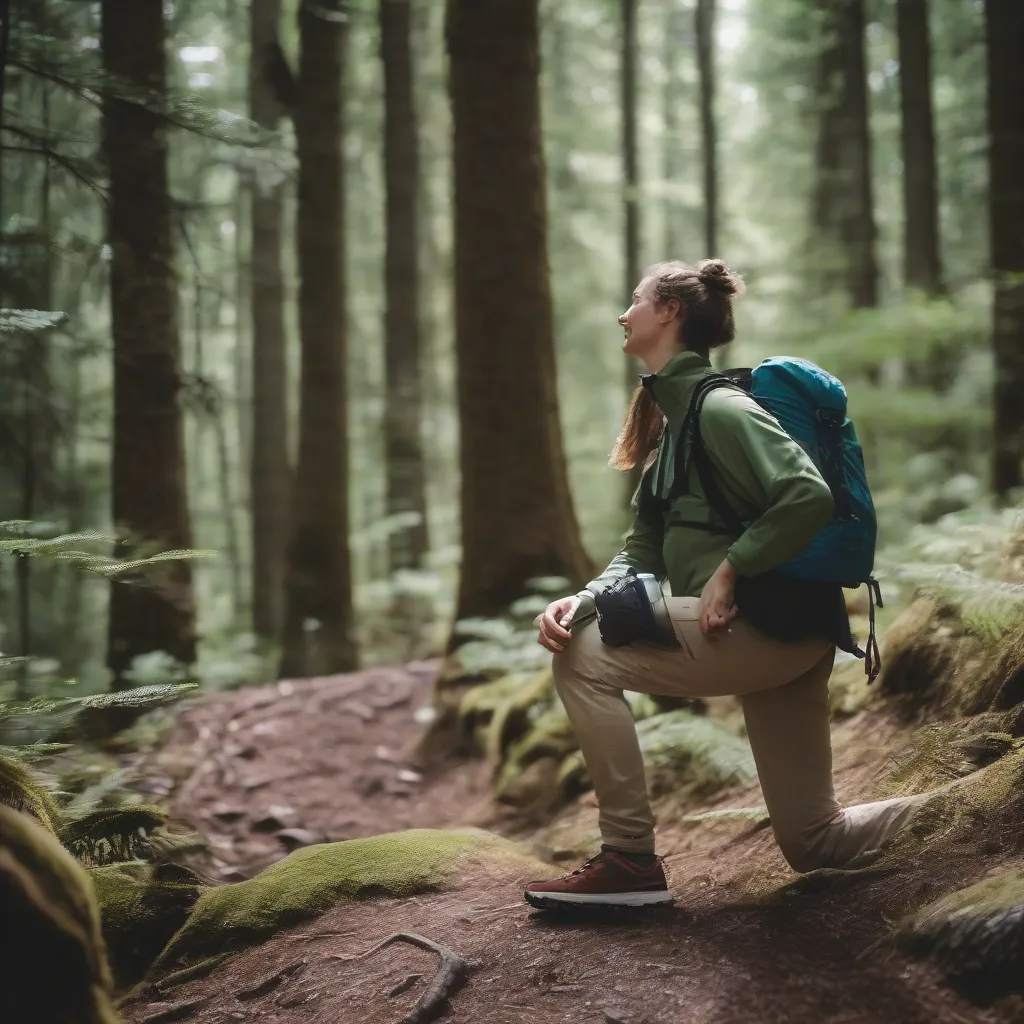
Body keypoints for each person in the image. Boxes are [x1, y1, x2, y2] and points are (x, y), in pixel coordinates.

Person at [525, 259, 926, 909]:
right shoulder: (672, 429)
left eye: (636, 300)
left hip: (764, 626)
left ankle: (628, 861)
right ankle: (979, 807)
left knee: (581, 655)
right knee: (815, 841)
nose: (624, 314)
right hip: (790, 636)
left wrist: (729, 569)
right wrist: (585, 596)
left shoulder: (720, 410)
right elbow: (642, 550)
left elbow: (804, 494)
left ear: (671, 312)